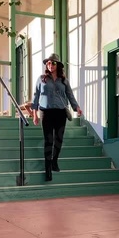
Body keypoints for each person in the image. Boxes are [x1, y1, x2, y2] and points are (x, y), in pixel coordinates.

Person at [31, 53, 83, 181]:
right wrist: (34, 114)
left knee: (58, 139)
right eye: (48, 63)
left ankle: (54, 161)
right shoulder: (41, 79)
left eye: (53, 63)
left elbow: (70, 95)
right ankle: (48, 169)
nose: (50, 65)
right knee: (48, 140)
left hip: (60, 112)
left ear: (58, 65)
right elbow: (35, 96)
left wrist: (77, 107)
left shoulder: (64, 80)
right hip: (46, 112)